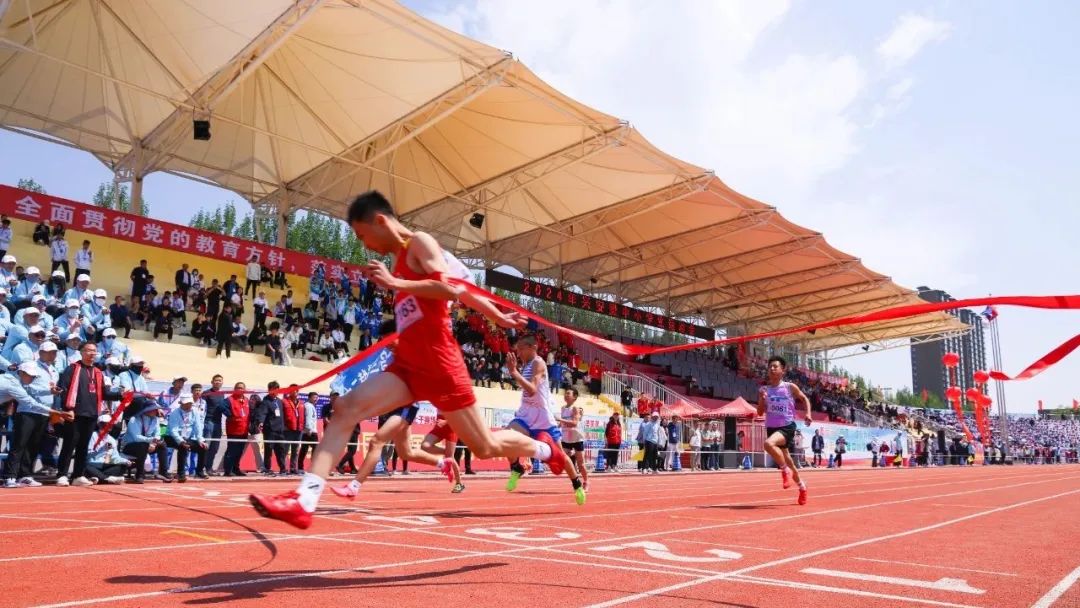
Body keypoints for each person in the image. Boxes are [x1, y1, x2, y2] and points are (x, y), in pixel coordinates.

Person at [250, 190, 564, 529]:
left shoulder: (420, 243)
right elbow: (464, 290)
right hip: (408, 366)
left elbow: (450, 289)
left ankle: (545, 450)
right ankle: (304, 500)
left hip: (440, 362)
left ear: (380, 221)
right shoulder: (401, 259)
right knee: (346, 409)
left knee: (485, 447)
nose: (364, 244)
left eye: (362, 234)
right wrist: (496, 316)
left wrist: (395, 282)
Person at [504, 335, 585, 505]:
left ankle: (577, 484)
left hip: (543, 418)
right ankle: (516, 467)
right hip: (526, 415)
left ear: (532, 347)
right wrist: (516, 372)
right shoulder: (525, 364)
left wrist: (514, 373)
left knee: (561, 456)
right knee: (507, 437)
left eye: (520, 349)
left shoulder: (538, 363)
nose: (517, 353)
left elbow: (532, 389)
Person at [331, 402, 464, 499]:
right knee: (406, 453)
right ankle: (442, 463)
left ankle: (353, 487)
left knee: (376, 442)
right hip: (402, 408)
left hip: (406, 408)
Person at [756, 356, 810, 505]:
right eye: (770, 367)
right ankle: (802, 487)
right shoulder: (764, 390)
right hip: (772, 427)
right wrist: (761, 398)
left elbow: (804, 398)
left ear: (782, 370)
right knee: (790, 462)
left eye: (775, 366)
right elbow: (760, 412)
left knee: (768, 444)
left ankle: (784, 470)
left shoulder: (789, 387)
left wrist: (808, 413)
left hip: (787, 426)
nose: (772, 369)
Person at [165, 394, 208, 481]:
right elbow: (173, 430)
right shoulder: (175, 413)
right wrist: (181, 441)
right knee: (183, 447)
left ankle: (199, 472)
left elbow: (198, 427)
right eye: (186, 403)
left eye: (190, 403)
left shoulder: (195, 412)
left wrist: (200, 440)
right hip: (172, 437)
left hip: (188, 437)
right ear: (181, 403)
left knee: (203, 447)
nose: (189, 405)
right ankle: (181, 474)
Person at [557, 387, 589, 491]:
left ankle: (586, 482)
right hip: (566, 438)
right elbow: (562, 423)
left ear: (574, 397)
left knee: (581, 464)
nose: (566, 395)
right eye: (565, 393)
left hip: (576, 438)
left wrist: (560, 419)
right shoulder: (562, 408)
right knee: (563, 460)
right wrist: (556, 426)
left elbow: (574, 423)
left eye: (568, 394)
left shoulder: (575, 408)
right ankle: (576, 481)